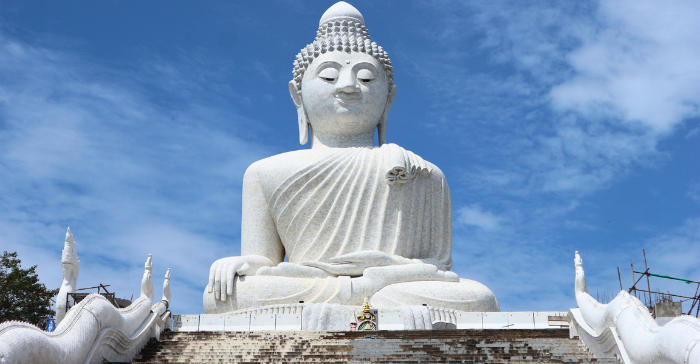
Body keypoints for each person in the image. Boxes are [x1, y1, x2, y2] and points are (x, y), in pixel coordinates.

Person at [203, 2, 498, 314]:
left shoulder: (423, 173)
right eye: (329, 76)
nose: (348, 86)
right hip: (312, 284)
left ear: (389, 98)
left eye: (367, 79)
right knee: (223, 295)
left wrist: (386, 267)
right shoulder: (265, 172)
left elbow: (436, 269)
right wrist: (242, 263)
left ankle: (358, 302)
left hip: (391, 285)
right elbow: (265, 260)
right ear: (297, 96)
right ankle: (367, 302)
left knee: (480, 298)